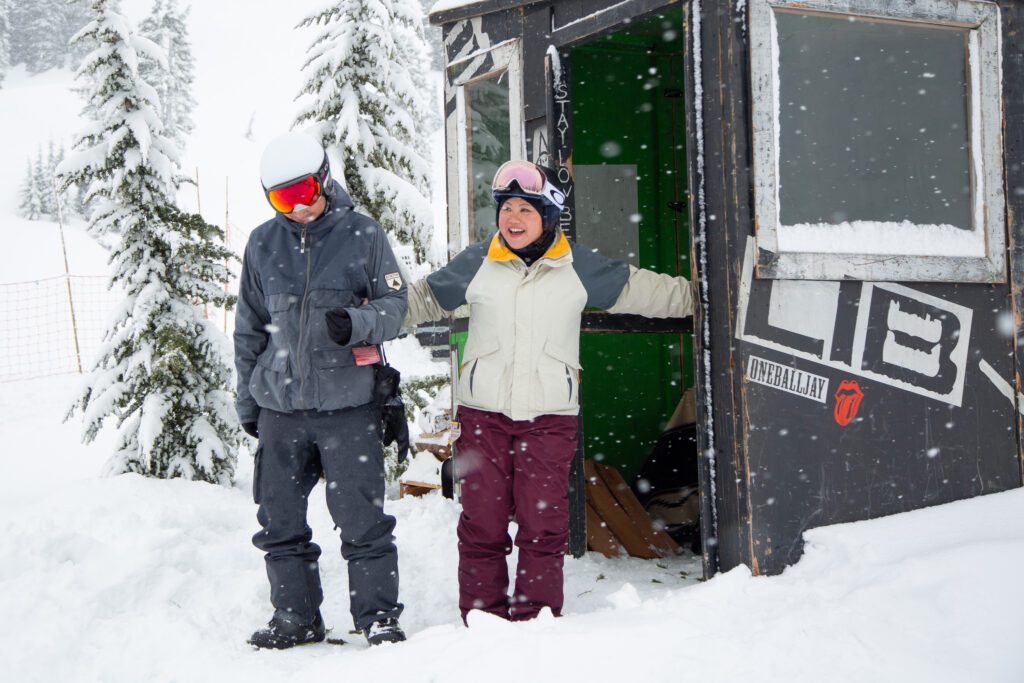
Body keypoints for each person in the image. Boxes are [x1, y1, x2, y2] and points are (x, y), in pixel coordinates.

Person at [405, 160, 694, 622]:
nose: (513, 218)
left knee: (543, 528)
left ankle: (535, 623)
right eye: (506, 208)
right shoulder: (478, 262)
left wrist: (707, 296)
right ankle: (483, 621)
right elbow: (421, 300)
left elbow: (650, 292)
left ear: (548, 215)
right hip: (483, 417)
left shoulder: (579, 266)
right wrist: (368, 317)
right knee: (482, 525)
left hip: (549, 420)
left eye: (525, 209)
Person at [234, 131, 408, 649]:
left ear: (325, 180)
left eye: (305, 191)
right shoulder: (263, 243)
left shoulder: (364, 234)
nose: (299, 206)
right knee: (280, 520)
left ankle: (377, 616)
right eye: (283, 199)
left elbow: (396, 309)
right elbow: (248, 328)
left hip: (348, 408)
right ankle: (296, 616)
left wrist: (356, 322)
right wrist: (248, 400)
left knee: (362, 520)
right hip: (280, 410)